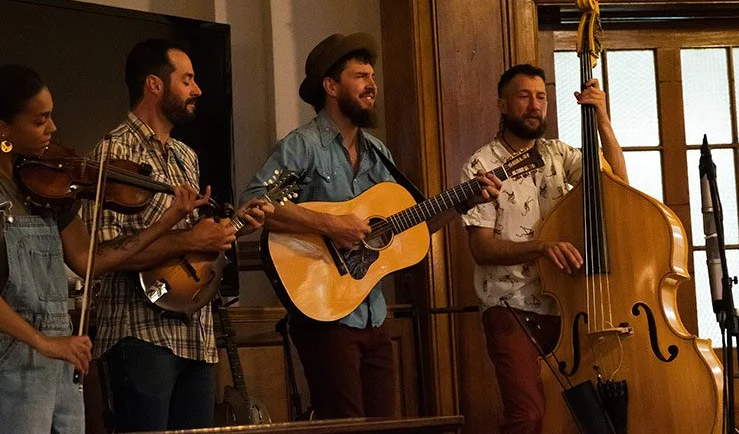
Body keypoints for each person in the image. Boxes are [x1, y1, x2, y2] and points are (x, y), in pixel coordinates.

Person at [242, 32, 500, 419]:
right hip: (324, 311)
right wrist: (331, 225)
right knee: (343, 425)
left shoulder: (379, 153)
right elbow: (256, 204)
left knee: (384, 424)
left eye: (372, 76)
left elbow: (409, 227)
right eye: (361, 76)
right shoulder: (302, 145)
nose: (372, 85)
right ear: (331, 87)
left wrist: (462, 202)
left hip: (373, 314)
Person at [0, 64, 204, 434]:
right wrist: (42, 342)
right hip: (7, 359)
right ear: (3, 129)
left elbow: (90, 258)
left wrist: (166, 221)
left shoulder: (47, 187)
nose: (53, 128)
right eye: (40, 120)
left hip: (60, 357)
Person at [83, 39, 270, 432]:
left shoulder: (186, 156)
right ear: (155, 84)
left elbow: (194, 245)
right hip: (139, 334)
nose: (197, 90)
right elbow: (102, 252)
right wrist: (191, 240)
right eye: (187, 80)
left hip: (197, 335)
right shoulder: (112, 152)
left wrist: (230, 228)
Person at [460, 63, 629, 434]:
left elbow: (618, 185)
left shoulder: (558, 153)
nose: (534, 105)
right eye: (524, 96)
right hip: (510, 305)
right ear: (502, 104)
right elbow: (482, 250)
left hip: (566, 304)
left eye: (541, 97)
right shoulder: (480, 164)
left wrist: (602, 121)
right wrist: (540, 248)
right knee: (528, 416)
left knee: (583, 416)